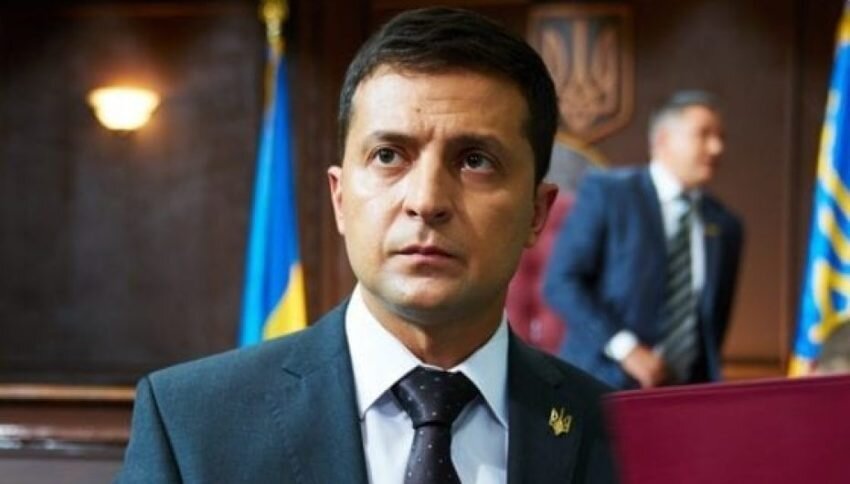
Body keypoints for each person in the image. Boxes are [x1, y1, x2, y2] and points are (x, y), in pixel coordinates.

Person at [117, 7, 617, 484]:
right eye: (388, 155)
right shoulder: (192, 424)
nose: (426, 201)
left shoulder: (616, 434)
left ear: (536, 212)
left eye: (475, 161)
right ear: (339, 198)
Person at [543, 90, 744, 390]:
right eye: (703, 135)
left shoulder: (726, 226)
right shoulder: (610, 194)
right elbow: (561, 283)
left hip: (687, 395)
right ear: (663, 140)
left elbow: (712, 327)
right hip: (600, 387)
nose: (717, 148)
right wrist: (626, 349)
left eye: (721, 137)